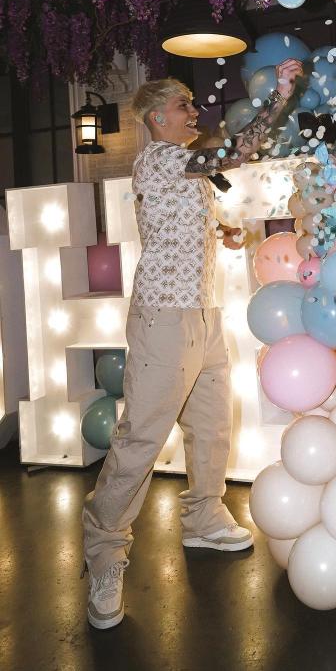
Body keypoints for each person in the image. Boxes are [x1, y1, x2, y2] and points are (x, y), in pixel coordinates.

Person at [82, 58, 303, 630]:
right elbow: (236, 151)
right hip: (164, 320)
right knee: (141, 438)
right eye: (184, 104)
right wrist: (278, 96)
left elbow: (177, 223)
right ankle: (104, 551)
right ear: (158, 117)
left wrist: (219, 230)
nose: (194, 111)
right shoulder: (159, 157)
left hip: (203, 315)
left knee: (211, 426)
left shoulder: (185, 170)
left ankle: (203, 516)